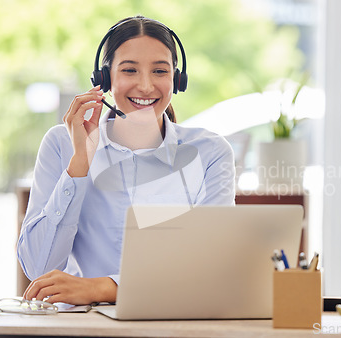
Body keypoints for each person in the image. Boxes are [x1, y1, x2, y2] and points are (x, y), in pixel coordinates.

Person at [17, 15, 235, 305]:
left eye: (160, 71)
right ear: (104, 79)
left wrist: (103, 288)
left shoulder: (210, 152)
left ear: (177, 79)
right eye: (130, 70)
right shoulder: (61, 144)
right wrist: (80, 164)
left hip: (171, 322)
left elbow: (212, 267)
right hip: (83, 327)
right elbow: (38, 267)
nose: (145, 86)